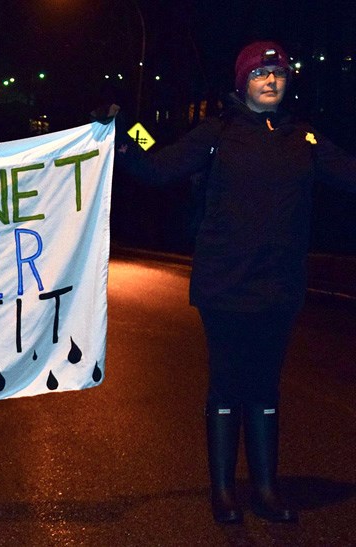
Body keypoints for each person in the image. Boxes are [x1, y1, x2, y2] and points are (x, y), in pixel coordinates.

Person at [105, 41, 356, 523]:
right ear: (243, 82)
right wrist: (126, 126)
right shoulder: (217, 133)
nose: (271, 81)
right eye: (260, 74)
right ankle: (222, 492)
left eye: (279, 74)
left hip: (279, 289)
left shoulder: (303, 139)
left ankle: (266, 490)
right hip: (225, 287)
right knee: (227, 386)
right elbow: (159, 165)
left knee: (264, 390)